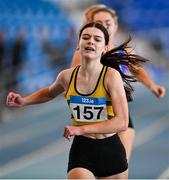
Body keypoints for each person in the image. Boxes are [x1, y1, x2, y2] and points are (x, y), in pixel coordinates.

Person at [6, 22, 148, 179]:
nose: (90, 41)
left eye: (97, 39)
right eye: (85, 37)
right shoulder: (66, 76)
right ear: (78, 44)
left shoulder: (111, 76)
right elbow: (49, 93)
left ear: (104, 48)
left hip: (110, 150)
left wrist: (81, 129)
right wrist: (25, 101)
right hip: (82, 151)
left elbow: (122, 122)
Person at [70, 5, 166, 161]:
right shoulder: (82, 53)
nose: (105, 25)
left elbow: (138, 69)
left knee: (120, 165)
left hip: (121, 117)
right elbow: (71, 79)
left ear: (115, 25)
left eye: (108, 22)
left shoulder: (123, 51)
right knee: (97, 169)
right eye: (99, 22)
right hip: (93, 120)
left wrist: (152, 85)